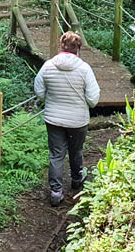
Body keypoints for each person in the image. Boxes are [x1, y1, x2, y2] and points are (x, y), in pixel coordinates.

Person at [33, 31, 100, 206]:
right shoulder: (84, 69)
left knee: (56, 154)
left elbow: (39, 90)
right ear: (78, 48)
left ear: (61, 46)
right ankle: (77, 178)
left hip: (53, 118)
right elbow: (93, 99)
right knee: (76, 150)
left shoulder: (48, 65)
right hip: (78, 120)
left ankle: (56, 192)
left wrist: (51, 99)